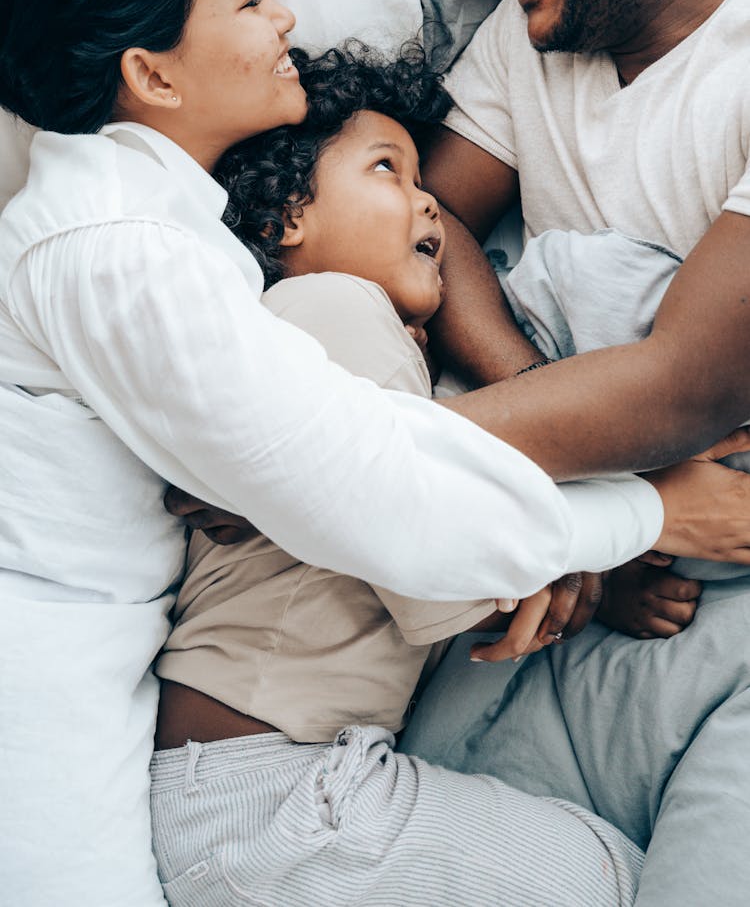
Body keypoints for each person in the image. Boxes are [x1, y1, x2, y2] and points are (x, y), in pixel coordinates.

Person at [3, 0, 730, 906]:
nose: (286, 12)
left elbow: (346, 465)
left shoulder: (175, 239)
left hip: (226, 766)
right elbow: (376, 494)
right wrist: (647, 517)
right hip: (101, 790)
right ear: (150, 72)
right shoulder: (118, 256)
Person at [149, 44, 658, 906]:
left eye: (422, 174)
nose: (427, 199)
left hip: (265, 794)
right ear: (284, 219)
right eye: (387, 169)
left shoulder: (337, 342)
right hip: (274, 797)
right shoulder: (329, 308)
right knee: (604, 877)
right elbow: (434, 573)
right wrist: (644, 520)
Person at [396, 0, 750, 904]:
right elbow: (424, 218)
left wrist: (346, 457)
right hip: (586, 556)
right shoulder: (529, 33)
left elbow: (685, 383)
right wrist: (571, 441)